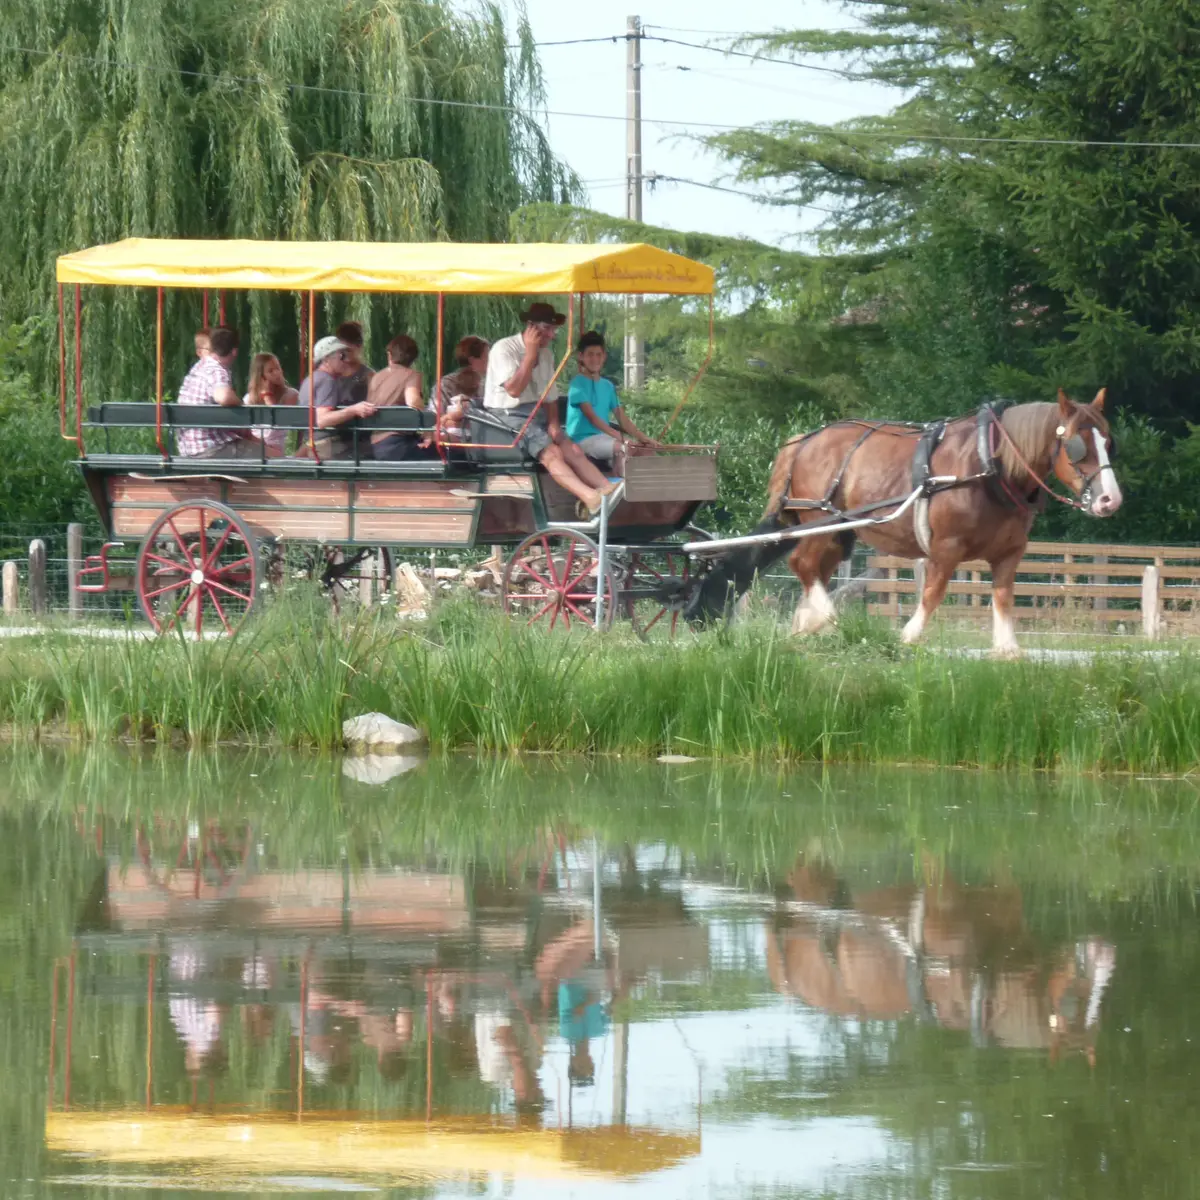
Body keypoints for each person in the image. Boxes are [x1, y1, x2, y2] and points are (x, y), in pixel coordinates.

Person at [483, 303, 618, 514]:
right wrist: (530, 355)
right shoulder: (504, 348)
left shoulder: (546, 355)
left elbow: (550, 395)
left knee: (572, 448)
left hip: (536, 415)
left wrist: (554, 424)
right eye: (547, 328)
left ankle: (608, 489)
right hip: (506, 417)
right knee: (552, 452)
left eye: (554, 329)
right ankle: (590, 497)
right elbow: (514, 390)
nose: (552, 335)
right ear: (530, 326)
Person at [567, 331, 660, 473]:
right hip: (582, 441)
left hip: (605, 439)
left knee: (646, 451)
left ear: (604, 356)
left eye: (598, 354)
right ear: (581, 356)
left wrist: (645, 439)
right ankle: (619, 485)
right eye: (590, 354)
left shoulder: (608, 386)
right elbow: (593, 419)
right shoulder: (577, 384)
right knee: (624, 448)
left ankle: (643, 486)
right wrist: (622, 439)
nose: (595, 359)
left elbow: (621, 418)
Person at [176, 325, 259, 459]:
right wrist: (241, 404)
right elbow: (224, 397)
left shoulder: (199, 367)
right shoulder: (216, 369)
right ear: (234, 352)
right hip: (210, 448)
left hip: (189, 447)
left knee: (255, 446)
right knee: (270, 455)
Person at [298, 335, 377, 460]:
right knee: (374, 454)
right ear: (326, 359)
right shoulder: (327, 381)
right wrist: (354, 409)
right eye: (341, 356)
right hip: (326, 446)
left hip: (312, 443)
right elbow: (322, 420)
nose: (346, 360)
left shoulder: (310, 379)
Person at [367, 333, 430, 461]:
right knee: (452, 453)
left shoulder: (376, 377)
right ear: (413, 358)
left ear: (389, 355)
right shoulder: (411, 375)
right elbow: (413, 402)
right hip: (398, 445)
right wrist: (428, 432)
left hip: (377, 444)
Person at [244, 352, 299, 458]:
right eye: (271, 371)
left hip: (275, 449)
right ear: (261, 376)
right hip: (254, 445)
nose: (277, 373)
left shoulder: (290, 394)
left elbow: (278, 423)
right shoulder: (249, 398)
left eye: (278, 368)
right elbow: (245, 431)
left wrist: (267, 396)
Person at [436, 335, 488, 410]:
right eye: (487, 356)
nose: (491, 361)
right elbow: (437, 413)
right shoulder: (447, 384)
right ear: (472, 360)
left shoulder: (487, 383)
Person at [336, 320, 375, 407]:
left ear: (359, 346)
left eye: (349, 350)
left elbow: (372, 405)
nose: (345, 353)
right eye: (342, 350)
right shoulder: (331, 372)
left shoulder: (369, 376)